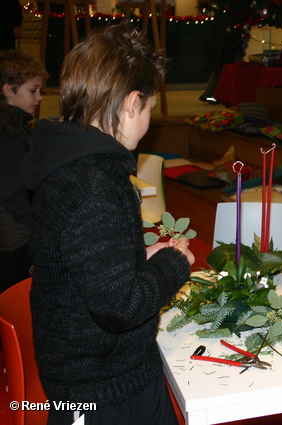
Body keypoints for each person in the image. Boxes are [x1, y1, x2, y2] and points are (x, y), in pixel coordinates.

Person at [20, 24, 195, 425]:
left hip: (99, 377)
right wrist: (173, 264)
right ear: (133, 103)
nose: (148, 120)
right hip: (102, 393)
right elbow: (119, 308)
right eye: (150, 108)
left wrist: (137, 256)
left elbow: (85, 263)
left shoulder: (70, 166)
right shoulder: (94, 185)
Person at [0, 49, 47, 293]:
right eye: (32, 90)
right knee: (13, 293)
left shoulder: (16, 125)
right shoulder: (9, 133)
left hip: (14, 229)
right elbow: (11, 192)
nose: (38, 97)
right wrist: (40, 221)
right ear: (8, 90)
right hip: (14, 235)